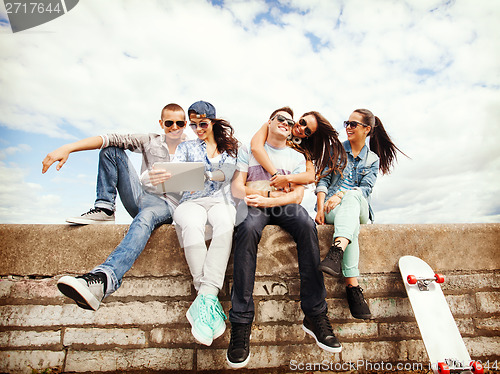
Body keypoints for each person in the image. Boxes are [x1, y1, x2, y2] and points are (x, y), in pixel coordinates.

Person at [41, 103, 187, 310]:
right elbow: (110, 138)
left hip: (167, 205)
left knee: (145, 218)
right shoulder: (150, 141)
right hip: (142, 196)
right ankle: (105, 208)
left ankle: (103, 279)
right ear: (161, 123)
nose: (174, 127)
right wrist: (68, 148)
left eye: (179, 123)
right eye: (169, 123)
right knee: (111, 150)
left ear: (185, 124)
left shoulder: (192, 147)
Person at [227, 107, 342, 369]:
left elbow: (299, 197)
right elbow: (236, 186)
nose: (287, 123)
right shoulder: (250, 148)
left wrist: (273, 198)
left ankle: (315, 314)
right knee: (246, 229)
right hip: (256, 204)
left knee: (305, 224)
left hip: (282, 205)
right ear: (269, 121)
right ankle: (241, 323)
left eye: (290, 122)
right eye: (282, 118)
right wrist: (261, 197)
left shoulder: (297, 155)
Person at [315, 108, 407, 319]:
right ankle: (353, 288)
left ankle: (336, 251)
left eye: (353, 124)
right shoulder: (335, 150)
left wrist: (342, 194)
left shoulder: (372, 160)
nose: (348, 127)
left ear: (367, 129)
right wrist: (320, 209)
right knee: (350, 227)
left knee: (354, 197)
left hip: (359, 208)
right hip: (332, 210)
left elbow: (366, 189)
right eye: (347, 123)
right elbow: (323, 181)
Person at [172, 101, 238, 347]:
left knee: (225, 225)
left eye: (202, 123)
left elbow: (227, 174)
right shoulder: (186, 147)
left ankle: (203, 299)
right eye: (193, 124)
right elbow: (178, 177)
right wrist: (185, 177)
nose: (197, 128)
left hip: (221, 201)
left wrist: (204, 174)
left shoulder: (230, 148)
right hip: (192, 200)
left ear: (212, 122)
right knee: (190, 225)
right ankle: (208, 297)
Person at [250, 110, 346, 188]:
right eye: (303, 122)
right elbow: (256, 147)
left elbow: (310, 176)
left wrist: (287, 179)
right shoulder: (274, 125)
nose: (302, 128)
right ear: (300, 117)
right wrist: (276, 175)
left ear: (309, 136)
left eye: (307, 131)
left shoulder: (303, 152)